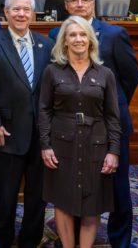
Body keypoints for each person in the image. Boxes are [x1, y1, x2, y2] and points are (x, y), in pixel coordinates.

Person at [48, 0, 138, 248]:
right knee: (76, 184)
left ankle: (120, 241)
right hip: (72, 126)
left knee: (118, 188)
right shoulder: (56, 33)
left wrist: (111, 107)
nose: (79, 4)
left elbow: (131, 77)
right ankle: (75, 239)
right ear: (65, 5)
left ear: (93, 3)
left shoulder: (114, 34)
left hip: (110, 125)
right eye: (73, 0)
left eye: (85, 0)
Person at [39, 16, 121, 248]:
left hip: (96, 144)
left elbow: (113, 116)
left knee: (93, 204)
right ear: (64, 41)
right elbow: (44, 111)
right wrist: (45, 145)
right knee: (63, 201)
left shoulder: (105, 74)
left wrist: (113, 151)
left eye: (83, 34)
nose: (78, 39)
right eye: (72, 35)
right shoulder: (52, 72)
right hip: (61, 144)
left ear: (91, 40)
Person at [0, 0, 53, 248]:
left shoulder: (46, 44)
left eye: (26, 10)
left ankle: (31, 239)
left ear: (33, 14)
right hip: (7, 131)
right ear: (6, 13)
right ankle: (3, 237)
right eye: (16, 9)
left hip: (41, 133)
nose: (21, 14)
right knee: (5, 192)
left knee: (38, 193)